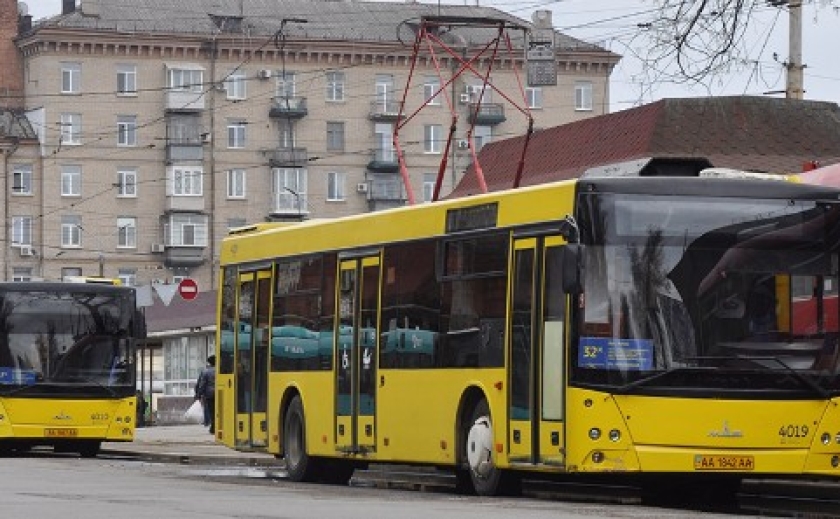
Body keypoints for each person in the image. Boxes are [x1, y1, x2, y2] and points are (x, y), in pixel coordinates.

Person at [194, 355, 216, 434]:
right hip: (220, 393)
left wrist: (198, 395)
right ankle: (214, 427)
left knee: (212, 411)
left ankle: (213, 427)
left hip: (209, 394)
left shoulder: (205, 371)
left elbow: (202, 385)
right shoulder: (221, 370)